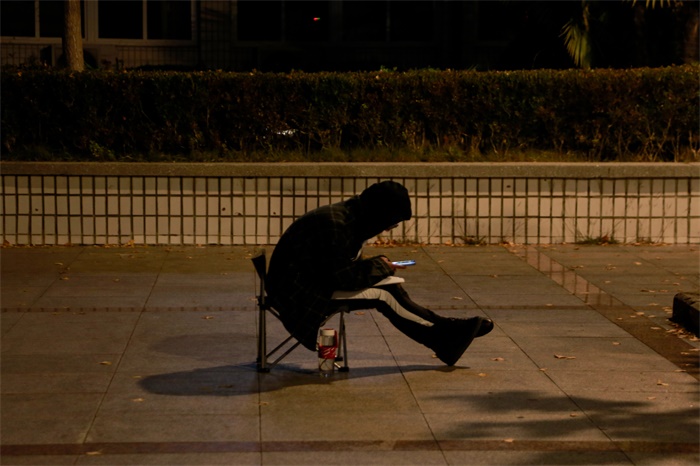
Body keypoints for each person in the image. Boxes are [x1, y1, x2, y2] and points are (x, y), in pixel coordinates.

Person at [266, 180, 493, 366]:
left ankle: (444, 335)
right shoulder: (336, 224)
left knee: (388, 286)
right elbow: (344, 278)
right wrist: (381, 266)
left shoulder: (348, 217)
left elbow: (338, 268)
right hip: (298, 295)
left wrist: (379, 266)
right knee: (384, 295)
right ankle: (444, 336)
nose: (386, 230)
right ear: (378, 214)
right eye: (389, 224)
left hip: (308, 283)